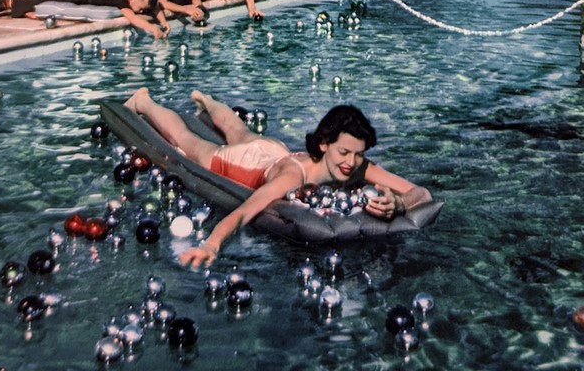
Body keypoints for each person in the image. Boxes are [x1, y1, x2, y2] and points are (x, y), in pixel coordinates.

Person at [123, 88, 432, 267]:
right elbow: (245, 211)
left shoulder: (356, 165)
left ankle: (208, 103)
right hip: (243, 164)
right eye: (344, 152)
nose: (351, 162)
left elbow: (420, 192)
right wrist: (212, 244)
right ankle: (143, 101)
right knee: (186, 140)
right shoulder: (292, 178)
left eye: (358, 153)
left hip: (274, 151)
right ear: (324, 145)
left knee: (239, 131)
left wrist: (400, 204)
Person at [0, 0, 169, 38]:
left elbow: (156, 6)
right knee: (47, 0)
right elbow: (133, 19)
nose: (140, 11)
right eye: (140, 7)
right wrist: (153, 28)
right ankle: (8, 3)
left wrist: (163, 22)